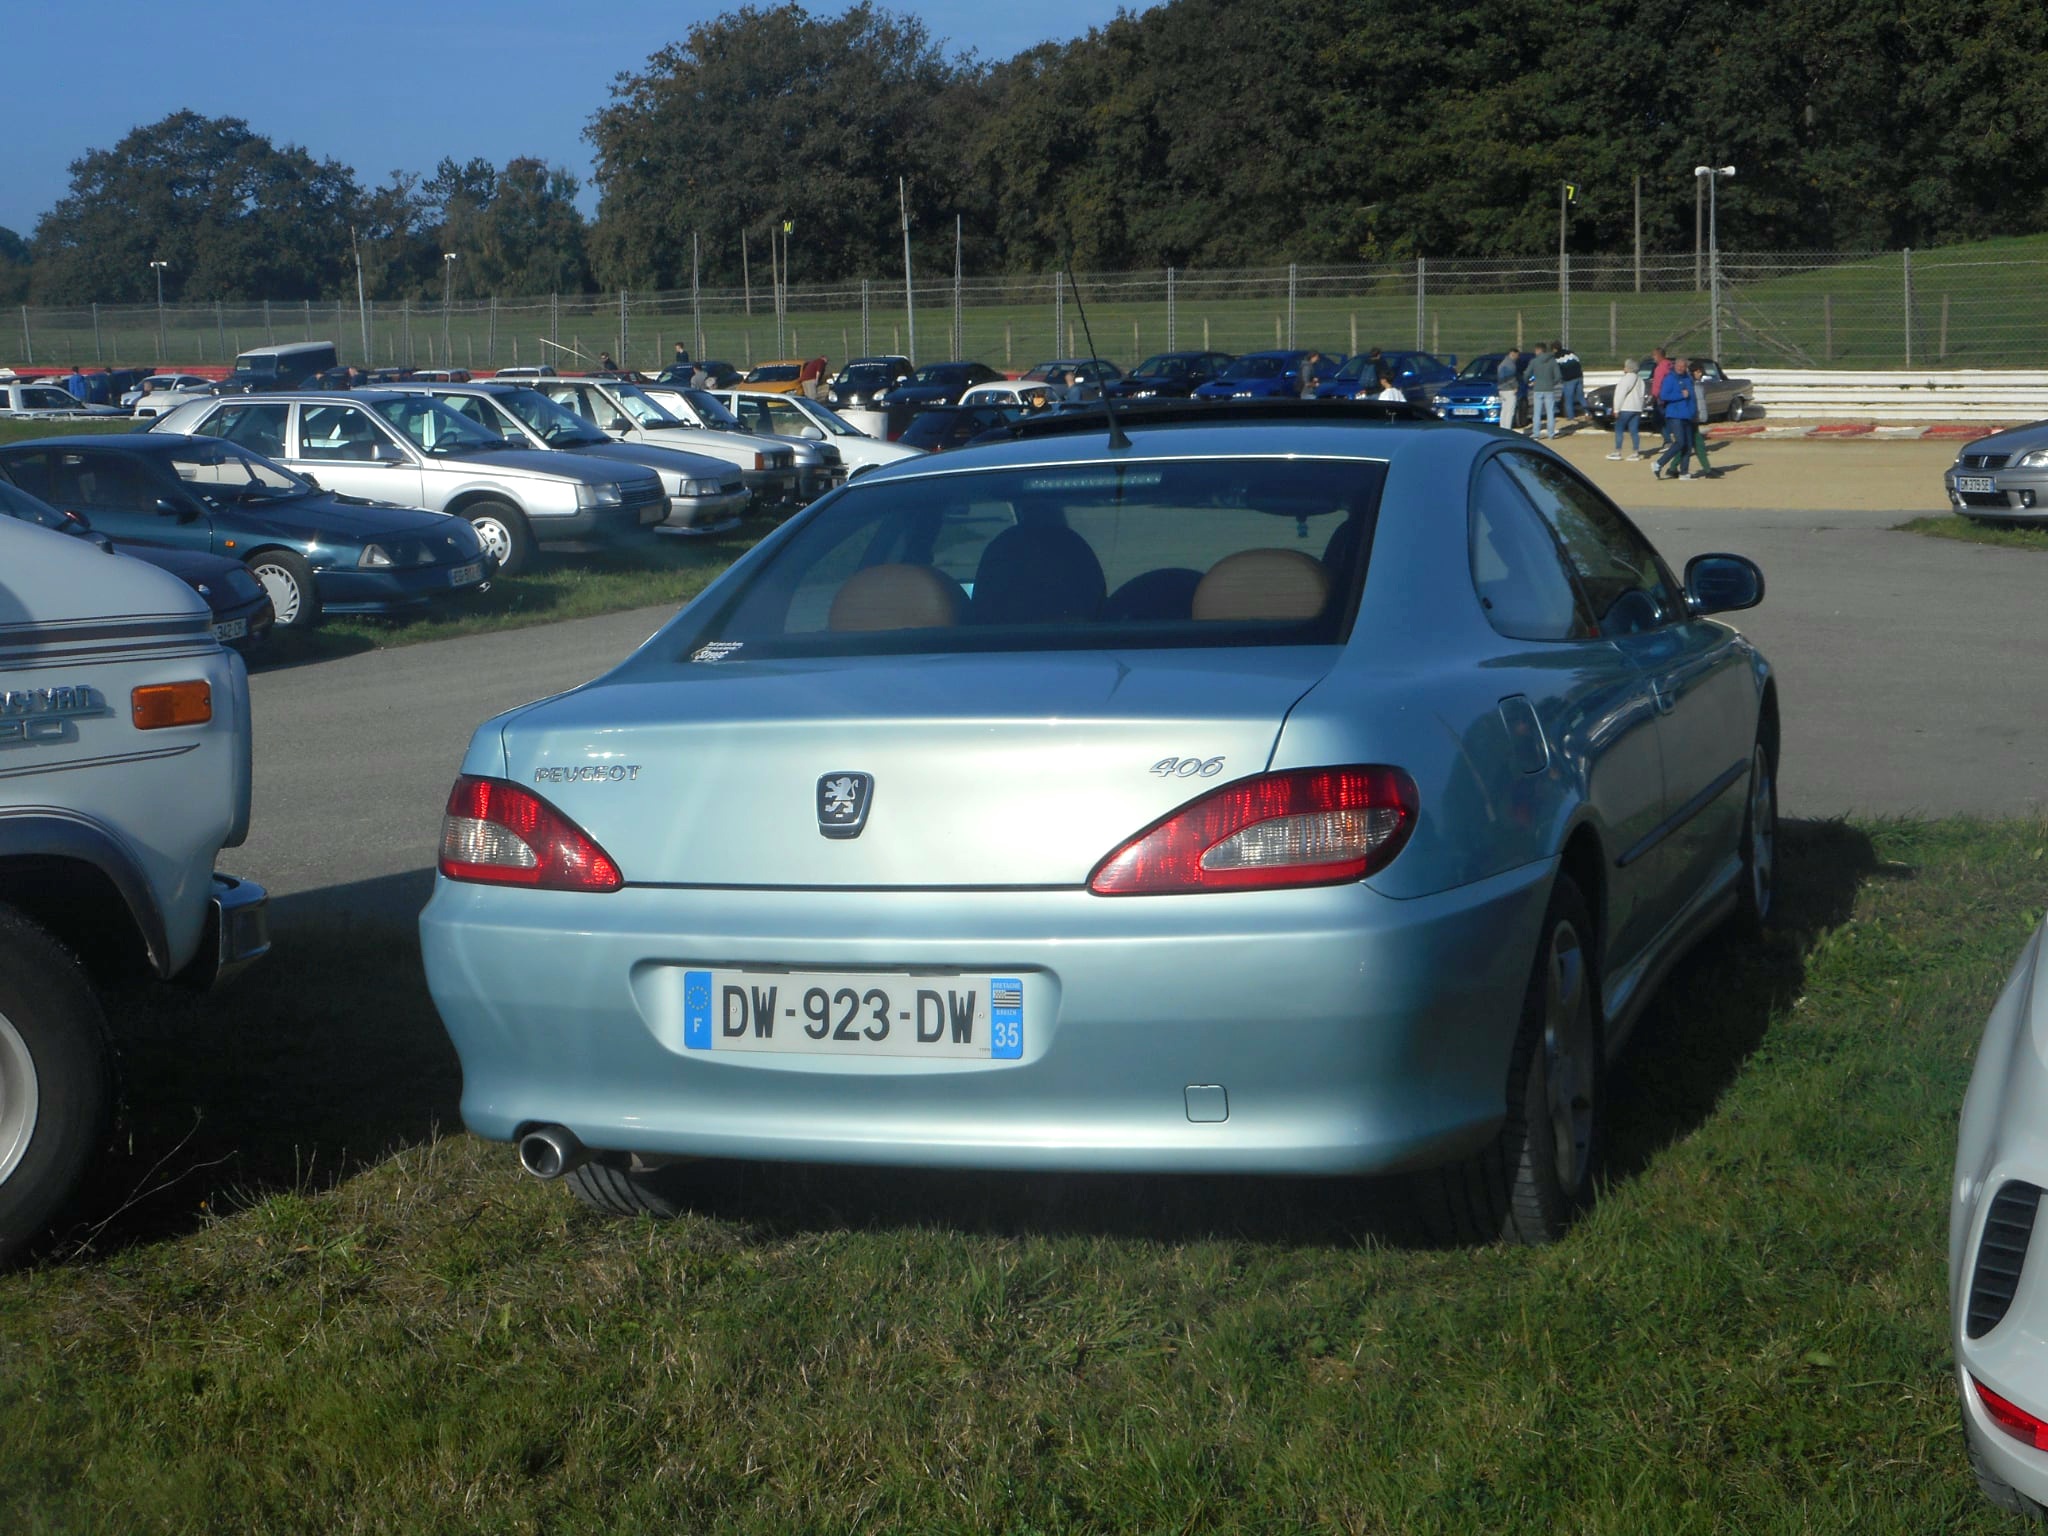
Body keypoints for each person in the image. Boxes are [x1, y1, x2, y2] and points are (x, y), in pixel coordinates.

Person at [1653, 357, 1698, 479]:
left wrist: (1693, 412)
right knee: (1680, 442)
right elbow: (1663, 395)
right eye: (1679, 366)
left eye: (1683, 366)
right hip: (1675, 415)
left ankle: (1684, 472)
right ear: (1675, 366)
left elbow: (1692, 398)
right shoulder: (1670, 378)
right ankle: (1658, 463)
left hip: (1687, 415)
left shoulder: (1688, 378)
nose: (1680, 368)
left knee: (1688, 445)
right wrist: (1680, 395)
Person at [1606, 359, 1646, 460]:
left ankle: (1617, 451)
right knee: (1634, 431)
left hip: (1626, 407)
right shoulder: (1640, 380)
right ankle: (1635, 452)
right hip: (1637, 408)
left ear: (1629, 368)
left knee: (1619, 429)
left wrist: (1616, 409)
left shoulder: (1625, 379)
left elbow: (1620, 395)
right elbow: (1642, 396)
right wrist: (1641, 408)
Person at [1526, 342, 1561, 439]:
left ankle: (1536, 433)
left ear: (1538, 350)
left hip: (1537, 388)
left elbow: (1527, 373)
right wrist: (1552, 383)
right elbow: (1558, 376)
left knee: (1537, 412)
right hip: (1549, 388)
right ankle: (1551, 434)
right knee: (1550, 412)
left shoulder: (1534, 361)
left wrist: (1528, 381)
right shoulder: (1552, 361)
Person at [1687, 360, 1716, 477]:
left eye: (1700, 372)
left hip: (1695, 418)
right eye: (1698, 372)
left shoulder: (1699, 384)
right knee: (1694, 445)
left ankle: (1672, 468)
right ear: (1692, 372)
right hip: (1691, 417)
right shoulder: (1690, 385)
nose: (1700, 374)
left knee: (1693, 445)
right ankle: (1707, 470)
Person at [1649, 347, 1675, 451]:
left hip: (1660, 398)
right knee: (1668, 420)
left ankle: (1668, 441)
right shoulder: (1671, 366)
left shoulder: (1660, 368)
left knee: (1658, 420)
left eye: (1654, 355)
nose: (1653, 357)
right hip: (1670, 397)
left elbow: (1658, 384)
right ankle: (1669, 441)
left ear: (1659, 356)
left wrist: (1653, 396)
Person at [1495, 348, 1522, 430]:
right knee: (1510, 411)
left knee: (1504, 410)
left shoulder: (1502, 363)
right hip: (1509, 390)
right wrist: (1515, 387)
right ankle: (1508, 429)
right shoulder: (1510, 364)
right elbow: (1510, 378)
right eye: (1517, 355)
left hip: (1501, 389)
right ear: (1513, 354)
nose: (1517, 357)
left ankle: (1502, 428)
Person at [1556, 344, 1584, 421]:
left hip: (1569, 379)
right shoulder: (1572, 354)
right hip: (1579, 376)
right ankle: (1588, 413)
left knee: (1568, 399)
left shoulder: (1557, 357)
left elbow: (1557, 370)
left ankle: (1570, 417)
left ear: (1554, 349)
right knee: (1581, 397)